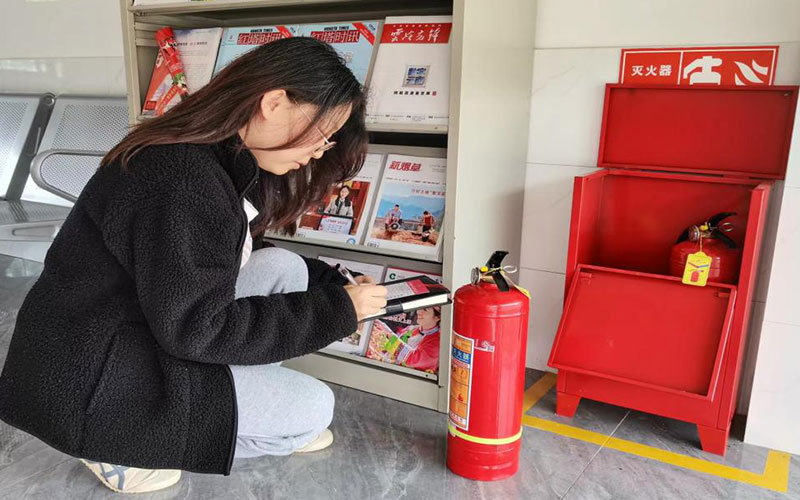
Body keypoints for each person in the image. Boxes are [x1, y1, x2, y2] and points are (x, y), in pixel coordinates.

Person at [0, 37, 388, 494]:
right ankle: (120, 446)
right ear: (274, 102)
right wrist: (339, 310)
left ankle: (228, 401)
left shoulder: (214, 156)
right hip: (94, 381)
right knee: (314, 410)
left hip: (134, 330)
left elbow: (224, 258)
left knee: (284, 267)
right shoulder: (182, 179)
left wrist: (333, 284)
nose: (321, 151)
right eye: (323, 134)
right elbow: (197, 329)